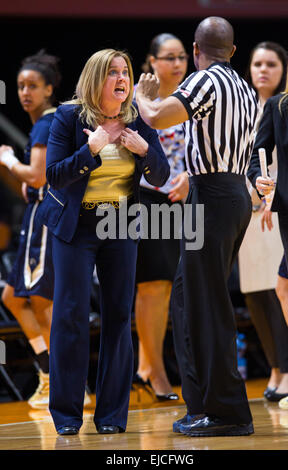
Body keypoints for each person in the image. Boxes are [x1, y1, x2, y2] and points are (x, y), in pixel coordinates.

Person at [136, 16, 259, 437]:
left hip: (211, 196)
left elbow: (156, 117)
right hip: (229, 194)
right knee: (188, 298)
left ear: (195, 49)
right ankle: (203, 402)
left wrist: (141, 96)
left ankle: (227, 412)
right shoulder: (242, 86)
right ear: (234, 50)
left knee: (206, 304)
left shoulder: (206, 80)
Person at [36, 49, 169, 436]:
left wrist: (144, 151)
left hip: (120, 223)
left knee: (117, 317)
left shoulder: (139, 121)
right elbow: (55, 177)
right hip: (76, 225)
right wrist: (91, 150)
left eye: (124, 71)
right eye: (112, 72)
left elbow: (160, 176)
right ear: (96, 80)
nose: (121, 78)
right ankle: (66, 415)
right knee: (71, 317)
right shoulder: (68, 117)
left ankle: (111, 416)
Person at [238, 42, 288, 401]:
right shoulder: (265, 107)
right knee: (271, 290)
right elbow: (251, 158)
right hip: (269, 207)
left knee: (282, 287)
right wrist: (259, 186)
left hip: (278, 208)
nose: (262, 70)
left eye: (269, 63)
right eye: (256, 62)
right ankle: (281, 366)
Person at [0, 51, 61, 409]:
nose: (25, 92)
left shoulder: (45, 124)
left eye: (33, 86)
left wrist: (9, 162)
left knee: (40, 301)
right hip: (40, 213)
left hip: (44, 219)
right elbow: (44, 178)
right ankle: (50, 372)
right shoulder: (49, 122)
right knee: (13, 297)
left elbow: (37, 174)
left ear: (49, 89)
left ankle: (64, 380)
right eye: (21, 86)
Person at [133, 33, 189, 401]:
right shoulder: (138, 98)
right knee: (153, 286)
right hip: (146, 196)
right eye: (169, 57)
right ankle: (157, 373)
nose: (178, 63)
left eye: (182, 56)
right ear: (152, 61)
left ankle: (145, 367)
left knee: (173, 289)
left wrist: (193, 176)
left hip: (186, 197)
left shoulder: (195, 93)